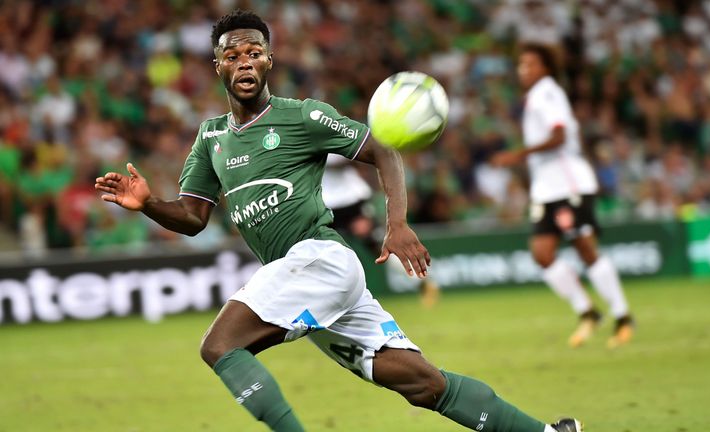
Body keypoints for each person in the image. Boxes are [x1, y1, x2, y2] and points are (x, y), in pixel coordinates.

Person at [95, 11, 581, 432]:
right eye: (233, 54)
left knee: (219, 345)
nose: (244, 61)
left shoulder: (302, 116)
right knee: (421, 383)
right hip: (308, 279)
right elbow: (192, 217)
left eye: (254, 52)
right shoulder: (211, 138)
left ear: (269, 61)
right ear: (217, 65)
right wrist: (149, 203)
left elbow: (381, 149)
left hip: (317, 260)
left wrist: (398, 222)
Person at [491, 43, 634, 349]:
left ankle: (622, 317)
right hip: (547, 188)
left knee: (584, 247)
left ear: (545, 68)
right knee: (542, 254)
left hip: (568, 184)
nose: (523, 70)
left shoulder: (548, 92)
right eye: (521, 65)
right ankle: (588, 311)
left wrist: (519, 154)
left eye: (530, 64)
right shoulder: (535, 97)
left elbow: (560, 135)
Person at [322, 153, 440, 308]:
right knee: (323, 251)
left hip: (351, 200)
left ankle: (423, 281)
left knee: (379, 247)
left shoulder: (334, 131)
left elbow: (355, 156)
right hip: (324, 201)